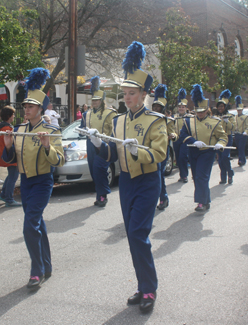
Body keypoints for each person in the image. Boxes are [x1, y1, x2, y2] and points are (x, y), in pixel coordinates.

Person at [90, 41, 167, 313]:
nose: (126, 98)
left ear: (143, 94)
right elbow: (113, 154)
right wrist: (100, 145)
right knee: (133, 236)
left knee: (137, 233)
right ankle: (142, 284)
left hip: (147, 182)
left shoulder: (156, 120)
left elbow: (159, 154)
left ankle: (149, 288)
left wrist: (139, 151)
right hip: (126, 183)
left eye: (132, 93)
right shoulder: (118, 121)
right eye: (124, 93)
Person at [2, 68, 65, 289]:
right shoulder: (19, 129)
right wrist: (8, 146)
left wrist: (48, 146)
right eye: (25, 106)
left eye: (30, 106)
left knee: (30, 225)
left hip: (42, 182)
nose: (26, 109)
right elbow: (11, 158)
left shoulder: (51, 130)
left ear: (40, 109)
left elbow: (59, 161)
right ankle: (46, 265)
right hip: (25, 182)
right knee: (37, 224)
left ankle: (36, 271)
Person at [178, 84, 227, 212]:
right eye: (197, 111)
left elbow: (223, 136)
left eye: (202, 111)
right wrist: (194, 141)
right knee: (196, 176)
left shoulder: (215, 122)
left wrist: (220, 144)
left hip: (207, 152)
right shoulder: (188, 121)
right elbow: (183, 134)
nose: (200, 114)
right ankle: (206, 200)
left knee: (202, 176)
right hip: (193, 151)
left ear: (207, 110)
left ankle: (201, 202)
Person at [80, 76, 117, 207]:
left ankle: (103, 195)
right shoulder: (86, 114)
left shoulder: (110, 113)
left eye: (97, 101)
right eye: (93, 100)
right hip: (90, 144)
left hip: (103, 144)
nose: (94, 103)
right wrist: (81, 131)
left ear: (102, 101)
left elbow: (115, 130)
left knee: (99, 169)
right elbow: (82, 127)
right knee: (93, 170)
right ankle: (99, 195)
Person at [151, 84, 176, 210]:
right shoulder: (149, 119)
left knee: (159, 175)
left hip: (163, 150)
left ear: (162, 108)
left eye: (158, 107)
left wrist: (173, 135)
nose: (156, 108)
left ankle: (163, 198)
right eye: (154, 106)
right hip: (150, 150)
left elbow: (174, 133)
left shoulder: (168, 121)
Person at [0, 106, 22, 207]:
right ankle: (9, 198)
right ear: (9, 116)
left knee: (10, 175)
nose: (14, 116)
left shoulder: (1, 127)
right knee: (13, 176)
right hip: (11, 154)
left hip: (5, 154)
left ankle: (4, 194)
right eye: (13, 115)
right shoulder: (8, 128)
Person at [214, 89, 235, 184]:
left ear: (225, 107)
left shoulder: (230, 116)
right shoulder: (215, 116)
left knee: (225, 157)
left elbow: (233, 128)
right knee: (220, 159)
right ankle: (223, 177)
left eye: (222, 106)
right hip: (218, 139)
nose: (220, 108)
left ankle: (230, 173)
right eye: (219, 106)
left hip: (227, 138)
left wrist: (228, 122)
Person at [173, 88, 191, 183]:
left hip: (185, 139)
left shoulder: (189, 117)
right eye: (179, 107)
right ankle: (181, 175)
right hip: (176, 139)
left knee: (182, 157)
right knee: (178, 158)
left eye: (183, 107)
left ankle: (184, 176)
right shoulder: (174, 117)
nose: (181, 109)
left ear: (186, 108)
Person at [234, 95, 248, 166]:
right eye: (238, 110)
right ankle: (242, 159)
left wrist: (245, 132)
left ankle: (241, 160)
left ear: (242, 110)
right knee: (239, 148)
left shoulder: (245, 117)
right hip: (236, 134)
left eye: (240, 110)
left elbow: (247, 126)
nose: (239, 111)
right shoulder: (235, 117)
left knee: (241, 147)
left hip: (242, 134)